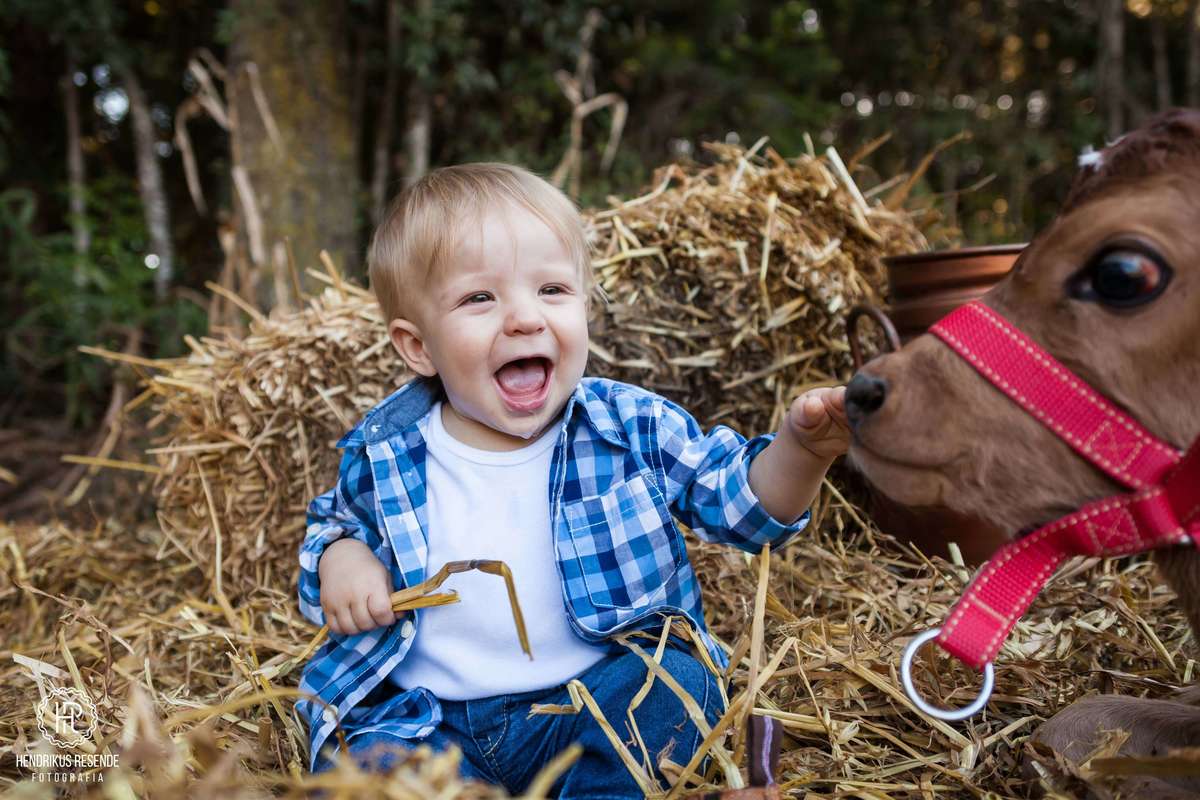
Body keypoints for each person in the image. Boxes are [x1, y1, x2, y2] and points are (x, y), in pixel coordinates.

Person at [296, 162, 849, 797]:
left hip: (592, 707)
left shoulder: (628, 426)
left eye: (552, 290)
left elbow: (742, 508)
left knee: (674, 685)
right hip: (428, 721)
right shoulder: (386, 452)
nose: (526, 318)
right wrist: (342, 557)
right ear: (417, 346)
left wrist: (803, 451)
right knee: (359, 774)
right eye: (480, 298)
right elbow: (333, 528)